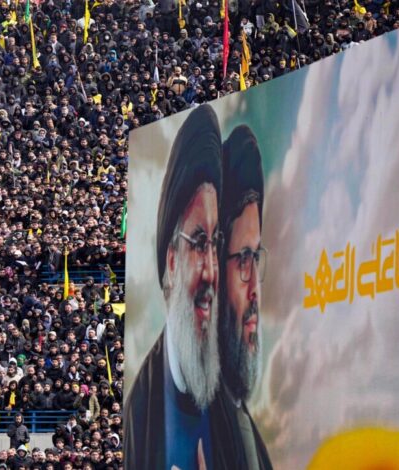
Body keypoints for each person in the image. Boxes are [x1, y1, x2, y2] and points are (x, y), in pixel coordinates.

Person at [124, 104, 224, 470]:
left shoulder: (227, 405)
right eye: (198, 243)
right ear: (170, 260)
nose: (211, 270)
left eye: (215, 243)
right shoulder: (140, 414)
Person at [210, 126, 273, 469]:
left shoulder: (242, 420)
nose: (254, 291)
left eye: (256, 257)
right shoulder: (193, 419)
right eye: (243, 259)